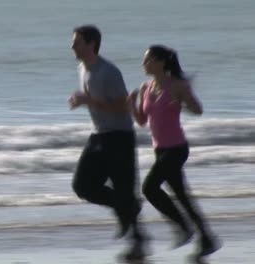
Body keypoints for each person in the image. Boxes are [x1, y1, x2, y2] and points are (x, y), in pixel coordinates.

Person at [129, 45, 220, 258]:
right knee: (182, 196)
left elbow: (198, 110)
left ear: (161, 62)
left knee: (149, 187)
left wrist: (182, 102)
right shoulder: (146, 88)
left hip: (177, 148)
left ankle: (183, 227)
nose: (144, 64)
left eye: (148, 60)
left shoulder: (177, 85)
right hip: (159, 150)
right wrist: (132, 105)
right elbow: (142, 121)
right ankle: (207, 239)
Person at [68, 24, 146, 261]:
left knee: (123, 189)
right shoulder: (83, 68)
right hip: (98, 135)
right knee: (82, 186)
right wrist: (83, 100)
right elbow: (93, 101)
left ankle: (137, 241)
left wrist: (88, 101)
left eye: (77, 42)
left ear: (91, 44)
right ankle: (128, 206)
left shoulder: (108, 71)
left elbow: (122, 106)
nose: (72, 46)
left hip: (119, 136)